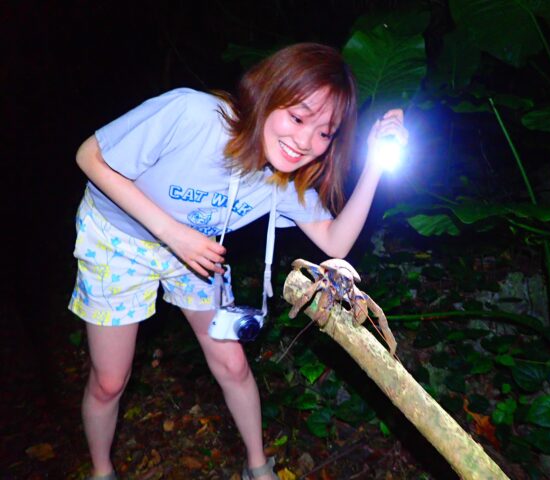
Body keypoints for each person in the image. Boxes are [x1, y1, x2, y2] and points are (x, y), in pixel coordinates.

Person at [69, 42, 407, 480]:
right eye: (298, 117)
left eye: (324, 133)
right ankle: (101, 471)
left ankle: (257, 467)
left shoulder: (283, 180)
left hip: (195, 252)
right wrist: (173, 233)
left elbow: (336, 242)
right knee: (110, 381)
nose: (305, 142)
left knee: (232, 363)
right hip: (118, 237)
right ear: (269, 93)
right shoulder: (193, 115)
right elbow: (89, 156)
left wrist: (376, 163)